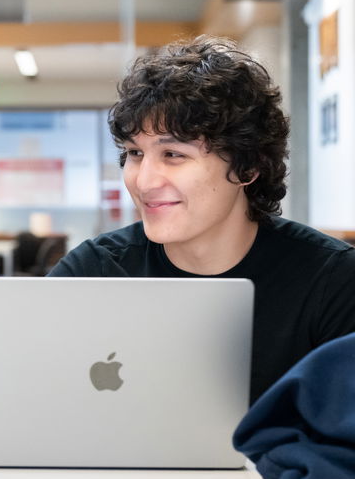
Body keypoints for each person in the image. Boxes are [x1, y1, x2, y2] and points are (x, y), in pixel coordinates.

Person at [48, 36, 355, 404]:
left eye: (174, 154)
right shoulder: (96, 269)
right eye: (134, 153)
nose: (143, 181)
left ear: (247, 166)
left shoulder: (331, 281)